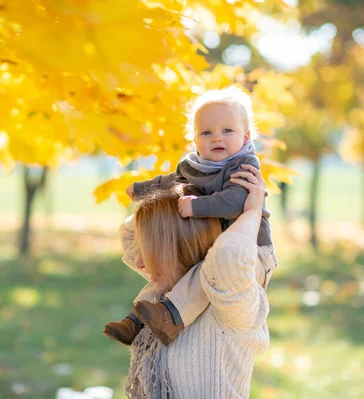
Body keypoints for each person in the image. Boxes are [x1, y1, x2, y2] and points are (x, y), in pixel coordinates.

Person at [103, 87, 277, 346]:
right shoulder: (194, 166)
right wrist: (141, 189)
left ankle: (171, 316)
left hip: (248, 254)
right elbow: (170, 181)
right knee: (172, 273)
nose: (217, 138)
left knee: (203, 274)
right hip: (208, 246)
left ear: (246, 136)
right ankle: (136, 320)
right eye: (206, 132)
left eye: (227, 131)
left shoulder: (244, 166)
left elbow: (236, 201)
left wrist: (197, 207)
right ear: (195, 141)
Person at [123, 165, 272, 398]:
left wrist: (252, 212)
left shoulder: (227, 305)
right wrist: (193, 179)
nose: (140, 263)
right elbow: (127, 233)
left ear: (180, 248)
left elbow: (229, 254)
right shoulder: (170, 293)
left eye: (150, 251)